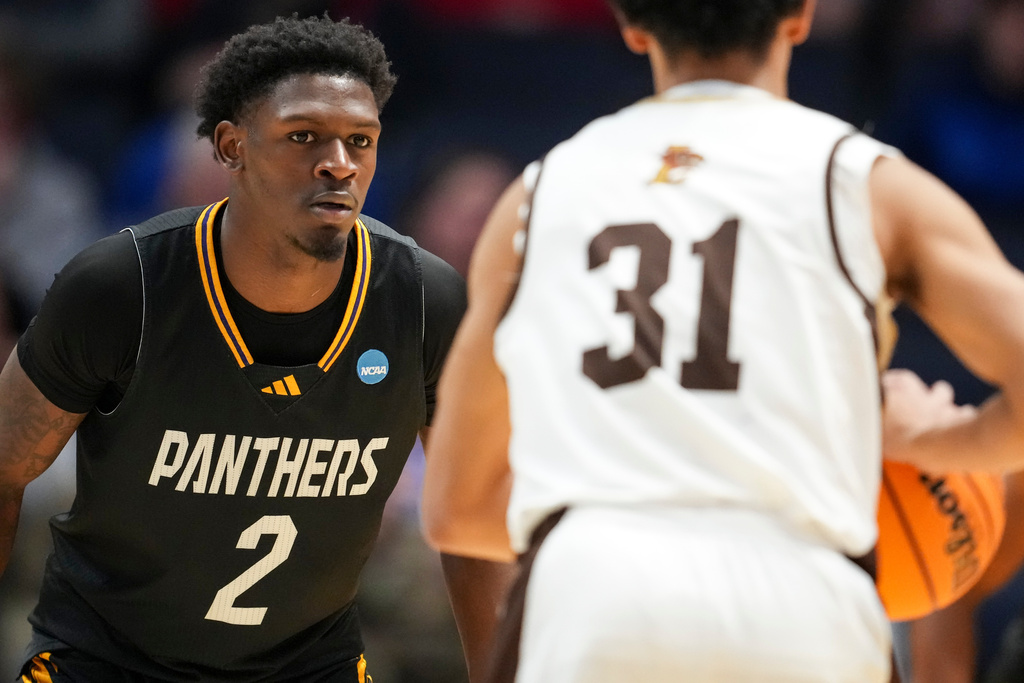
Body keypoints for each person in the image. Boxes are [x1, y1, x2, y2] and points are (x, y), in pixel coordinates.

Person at [419, 0, 1024, 681]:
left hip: (595, 594)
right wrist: (933, 437)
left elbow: (457, 511)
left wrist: (616, 497)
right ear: (800, 16)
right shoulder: (870, 183)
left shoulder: (538, 192)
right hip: (802, 598)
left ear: (631, 25)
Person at [0, 15, 506, 683]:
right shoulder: (123, 287)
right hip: (109, 661)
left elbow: (472, 523)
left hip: (308, 666)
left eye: (361, 140)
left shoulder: (422, 301)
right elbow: (6, 468)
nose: (339, 164)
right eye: (304, 137)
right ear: (233, 146)